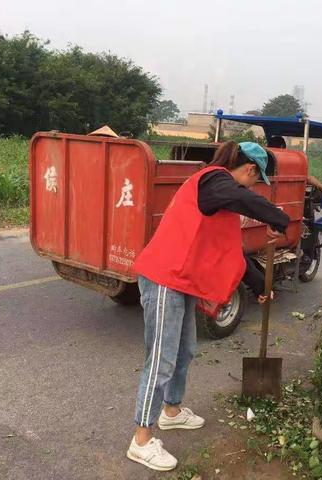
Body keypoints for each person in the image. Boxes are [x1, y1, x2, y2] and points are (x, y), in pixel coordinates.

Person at [127, 141, 290, 471]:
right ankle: (141, 441)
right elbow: (240, 196)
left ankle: (171, 411)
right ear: (249, 171)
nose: (253, 186)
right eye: (257, 181)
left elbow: (234, 252)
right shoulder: (213, 181)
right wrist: (276, 216)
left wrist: (261, 285)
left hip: (181, 281)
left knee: (185, 349)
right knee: (161, 358)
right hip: (163, 278)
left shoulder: (221, 201)